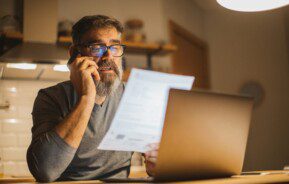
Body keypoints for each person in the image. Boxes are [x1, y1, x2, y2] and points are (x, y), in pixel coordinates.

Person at [26, 15, 158, 182]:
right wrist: (87, 96)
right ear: (75, 53)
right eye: (97, 47)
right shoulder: (51, 98)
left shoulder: (132, 96)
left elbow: (157, 159)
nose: (108, 57)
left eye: (115, 47)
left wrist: (158, 165)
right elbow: (44, 171)